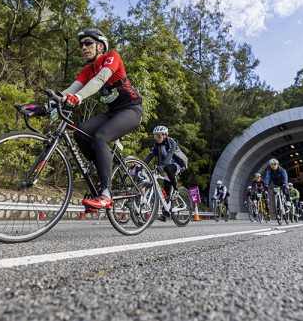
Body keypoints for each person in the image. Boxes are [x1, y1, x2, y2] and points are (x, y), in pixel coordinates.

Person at [27, 28, 142, 211]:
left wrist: (78, 98)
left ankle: (106, 194)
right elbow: (68, 92)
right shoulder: (87, 69)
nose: (83, 47)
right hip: (113, 112)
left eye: (88, 43)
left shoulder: (112, 57)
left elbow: (99, 80)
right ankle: (103, 177)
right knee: (80, 133)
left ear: (100, 46)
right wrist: (42, 108)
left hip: (131, 110)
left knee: (101, 137)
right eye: (81, 44)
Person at [144, 125, 188, 222]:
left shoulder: (171, 142)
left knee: (168, 168)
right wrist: (141, 165)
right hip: (167, 167)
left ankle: (176, 188)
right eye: (155, 136)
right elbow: (150, 155)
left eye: (159, 136)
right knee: (166, 190)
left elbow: (169, 155)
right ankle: (166, 212)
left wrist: (162, 166)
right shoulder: (156, 144)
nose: (157, 138)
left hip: (178, 164)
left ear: (165, 135)